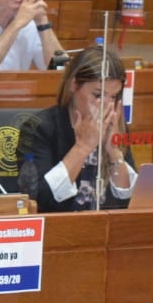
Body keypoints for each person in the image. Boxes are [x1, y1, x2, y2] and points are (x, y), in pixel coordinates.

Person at [18, 46, 137, 212]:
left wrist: (114, 152)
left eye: (113, 96)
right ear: (74, 85)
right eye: (97, 95)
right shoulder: (39, 127)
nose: (106, 105)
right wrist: (83, 147)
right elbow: (40, 200)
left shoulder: (116, 127)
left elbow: (128, 201)